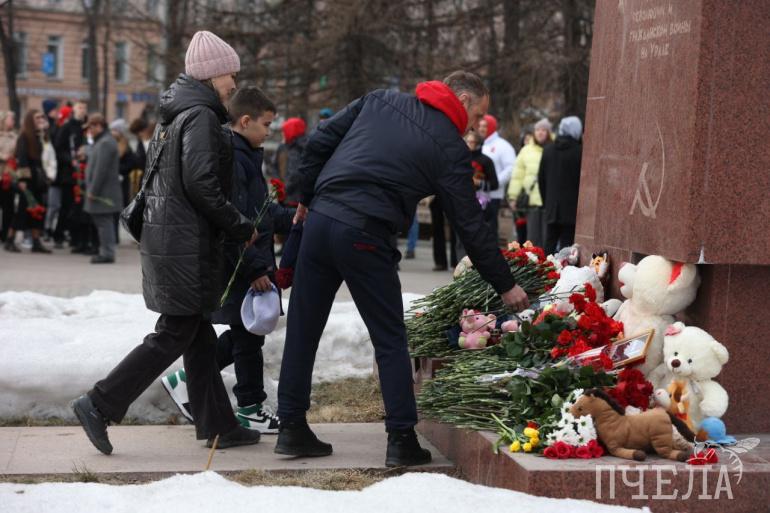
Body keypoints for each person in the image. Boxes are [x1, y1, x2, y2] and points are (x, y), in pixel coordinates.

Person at [275, 71, 529, 467]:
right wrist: (506, 285)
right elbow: (470, 224)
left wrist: (305, 197)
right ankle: (401, 439)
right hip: (366, 233)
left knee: (303, 328)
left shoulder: (380, 99)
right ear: (462, 100)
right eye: (479, 114)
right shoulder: (449, 147)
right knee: (390, 337)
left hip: (321, 220)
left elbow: (321, 139)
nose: (477, 124)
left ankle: (290, 426)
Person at [71, 30, 260, 455]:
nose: (234, 82)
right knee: (175, 332)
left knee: (198, 336)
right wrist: (239, 225)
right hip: (185, 246)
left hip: (174, 241)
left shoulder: (177, 114)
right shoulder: (201, 116)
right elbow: (201, 184)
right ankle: (99, 403)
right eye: (229, 74)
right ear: (211, 74)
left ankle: (220, 426)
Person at [161, 86, 292, 434]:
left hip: (246, 261)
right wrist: (255, 268)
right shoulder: (233, 158)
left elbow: (259, 212)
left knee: (247, 335)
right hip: (241, 264)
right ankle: (250, 407)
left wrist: (291, 217)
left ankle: (187, 378)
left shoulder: (247, 154)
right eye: (267, 124)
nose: (270, 132)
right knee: (248, 338)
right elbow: (233, 220)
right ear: (245, 121)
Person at [8, 110, 52, 253]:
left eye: (41, 117)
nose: (40, 119)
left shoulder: (42, 136)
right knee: (22, 210)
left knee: (37, 210)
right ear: (30, 120)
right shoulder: (24, 136)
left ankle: (36, 241)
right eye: (37, 117)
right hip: (28, 178)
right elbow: (22, 159)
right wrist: (22, 179)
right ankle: (10, 239)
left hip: (39, 178)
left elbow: (48, 155)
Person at [538, 116, 583, 255]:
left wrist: (547, 202)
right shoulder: (580, 152)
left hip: (552, 207)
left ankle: (545, 269)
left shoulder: (548, 150)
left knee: (549, 245)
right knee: (567, 248)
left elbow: (541, 179)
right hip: (571, 209)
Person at [83, 114, 122, 264]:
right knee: (103, 222)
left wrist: (93, 190)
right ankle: (106, 251)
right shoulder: (103, 141)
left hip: (103, 191)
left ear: (99, 126)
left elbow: (101, 170)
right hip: (103, 190)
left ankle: (107, 253)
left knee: (104, 222)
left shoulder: (105, 142)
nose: (90, 130)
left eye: (91, 127)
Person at [507, 117, 552, 248]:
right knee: (532, 240)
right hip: (532, 201)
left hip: (549, 202)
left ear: (548, 132)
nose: (540, 132)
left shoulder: (554, 148)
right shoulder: (526, 150)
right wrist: (513, 196)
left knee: (548, 239)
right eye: (537, 130)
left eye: (543, 130)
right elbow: (517, 175)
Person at [456, 130, 497, 259]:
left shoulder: (486, 161)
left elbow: (494, 184)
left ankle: (478, 262)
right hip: (462, 200)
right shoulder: (460, 158)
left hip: (481, 203)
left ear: (478, 143)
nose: (469, 144)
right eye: (467, 141)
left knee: (478, 235)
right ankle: (460, 262)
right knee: (461, 234)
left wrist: (479, 182)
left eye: (472, 142)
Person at [53, 100, 87, 250]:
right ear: (74, 110)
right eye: (79, 107)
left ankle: (76, 237)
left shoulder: (86, 127)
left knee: (79, 207)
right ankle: (59, 235)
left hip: (83, 172)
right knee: (66, 206)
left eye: (84, 108)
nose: (82, 110)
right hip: (69, 174)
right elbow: (59, 148)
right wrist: (70, 160)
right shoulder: (67, 127)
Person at [477, 114, 515, 243]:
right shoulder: (477, 143)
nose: (481, 129)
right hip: (475, 193)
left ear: (492, 127)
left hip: (492, 195)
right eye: (480, 126)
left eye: (485, 126)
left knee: (489, 228)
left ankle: (490, 252)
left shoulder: (503, 146)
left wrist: (494, 183)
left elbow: (510, 168)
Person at [275, 117, 307, 205]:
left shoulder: (296, 149)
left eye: (284, 130)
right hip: (288, 196)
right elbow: (276, 166)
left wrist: (283, 190)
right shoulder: (284, 147)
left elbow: (294, 174)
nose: (282, 133)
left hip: (292, 199)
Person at [0, 111, 17, 244]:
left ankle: (5, 234)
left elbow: (17, 152)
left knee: (8, 207)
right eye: (10, 119)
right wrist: (2, 156)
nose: (13, 121)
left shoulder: (15, 137)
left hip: (9, 175)